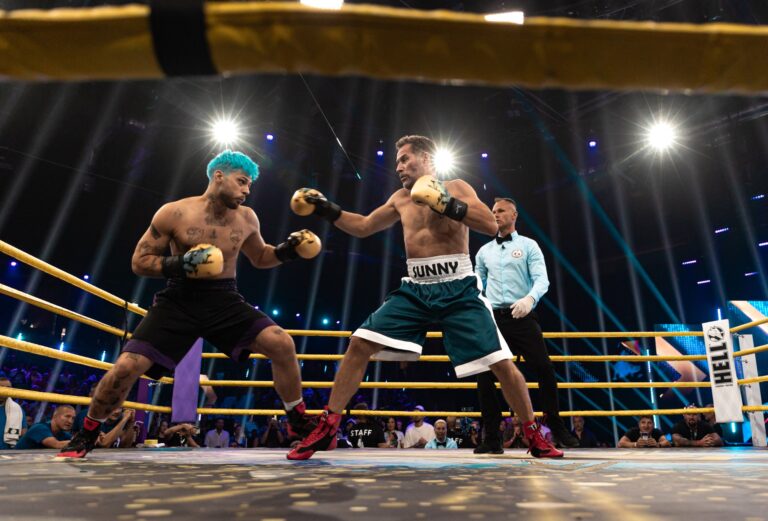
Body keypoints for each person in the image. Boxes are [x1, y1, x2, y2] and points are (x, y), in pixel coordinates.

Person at [287, 135, 562, 460]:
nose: (399, 167)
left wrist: (445, 203)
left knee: (500, 363)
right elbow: (363, 226)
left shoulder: (456, 187)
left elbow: (490, 225)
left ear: (427, 158)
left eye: (405, 159)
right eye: (397, 162)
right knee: (359, 343)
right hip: (416, 288)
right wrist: (325, 208)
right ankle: (329, 426)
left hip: (458, 287)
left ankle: (533, 434)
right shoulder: (400, 198)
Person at [58, 150, 321, 459]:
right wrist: (183, 263)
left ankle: (297, 421)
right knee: (126, 367)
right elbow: (140, 261)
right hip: (179, 299)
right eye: (242, 181)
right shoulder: (174, 212)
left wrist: (288, 250)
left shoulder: (248, 217)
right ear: (219, 176)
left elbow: (261, 257)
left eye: (249, 184)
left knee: (281, 343)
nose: (247, 190)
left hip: (224, 298)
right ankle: (88, 432)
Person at [473, 197, 578, 453]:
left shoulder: (529, 245)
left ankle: (554, 423)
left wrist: (529, 300)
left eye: (501, 211)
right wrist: (478, 303)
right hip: (493, 318)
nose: (495, 214)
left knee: (544, 367)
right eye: (493, 211)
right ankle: (492, 437)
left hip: (522, 315)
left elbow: (542, 279)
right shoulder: (484, 251)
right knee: (484, 375)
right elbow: (477, 282)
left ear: (514, 215)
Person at [0, 376, 27, 449]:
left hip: (8, 451)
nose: (5, 390)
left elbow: (23, 432)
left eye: (8, 387)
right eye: (2, 387)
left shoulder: (17, 409)